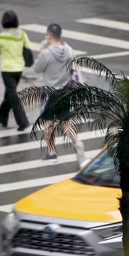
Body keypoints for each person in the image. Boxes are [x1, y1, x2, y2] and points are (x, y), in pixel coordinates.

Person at [32, 24, 85, 163]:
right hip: (65, 92)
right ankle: (77, 143)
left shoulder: (46, 53)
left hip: (51, 93)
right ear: (60, 36)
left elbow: (36, 69)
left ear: (48, 37)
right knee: (65, 122)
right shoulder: (69, 50)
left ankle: (52, 152)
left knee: (48, 123)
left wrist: (42, 50)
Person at [0, 10, 31, 131]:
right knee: (10, 92)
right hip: (19, 69)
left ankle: (22, 121)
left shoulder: (2, 36)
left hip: (7, 71)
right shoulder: (22, 34)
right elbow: (28, 48)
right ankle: (2, 117)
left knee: (12, 94)